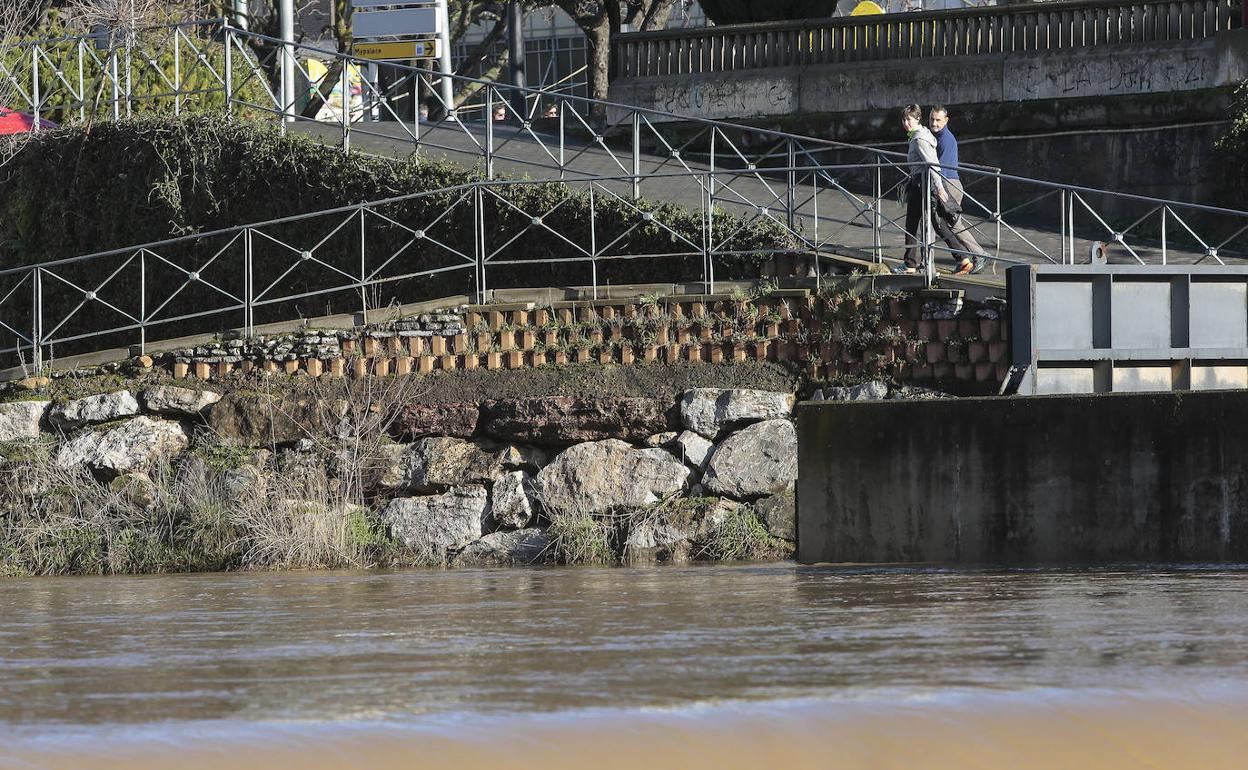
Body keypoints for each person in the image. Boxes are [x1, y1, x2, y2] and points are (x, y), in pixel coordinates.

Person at [895, 104, 959, 275]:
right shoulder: (920, 134)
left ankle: (911, 263)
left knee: (923, 224)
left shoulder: (919, 139)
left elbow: (933, 164)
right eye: (904, 119)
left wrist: (939, 187)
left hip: (922, 184)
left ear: (917, 119)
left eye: (909, 119)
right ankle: (914, 262)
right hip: (920, 183)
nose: (906, 123)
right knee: (931, 223)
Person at [929, 105, 986, 275]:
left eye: (938, 120)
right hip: (947, 183)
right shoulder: (937, 137)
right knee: (946, 224)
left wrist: (939, 189)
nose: (934, 123)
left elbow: (941, 167)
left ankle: (978, 255)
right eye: (932, 119)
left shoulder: (945, 139)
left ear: (946, 121)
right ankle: (965, 258)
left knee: (952, 224)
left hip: (948, 184)